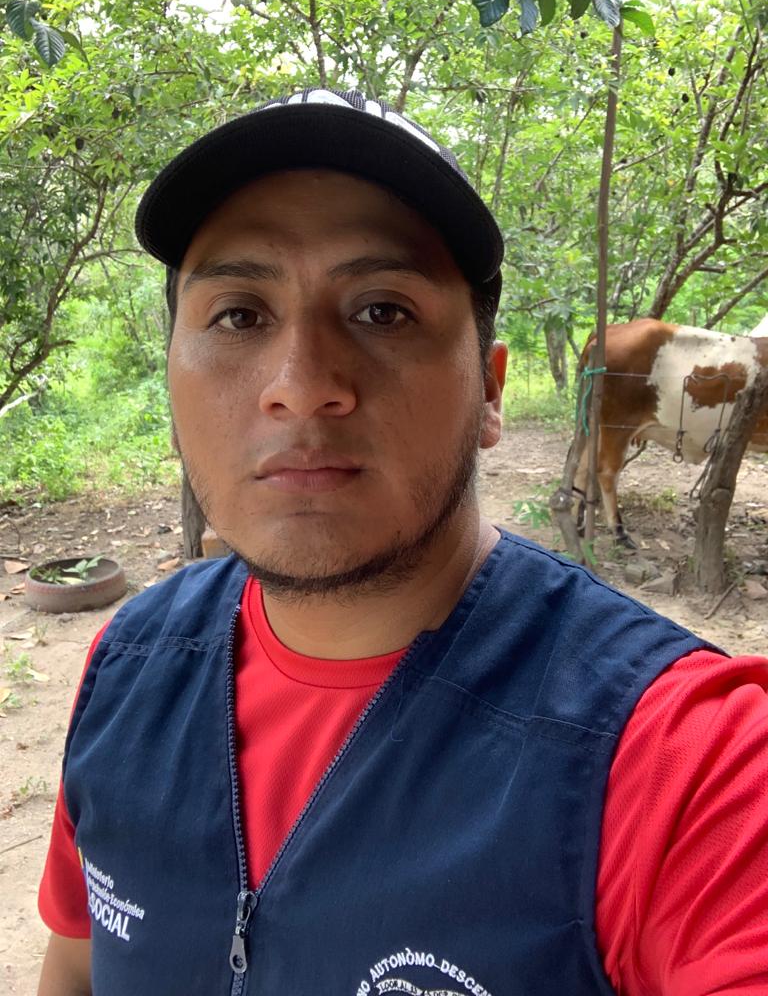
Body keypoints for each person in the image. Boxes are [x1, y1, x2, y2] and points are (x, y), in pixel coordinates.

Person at [37, 88, 768, 996]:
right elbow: (74, 968)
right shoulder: (126, 668)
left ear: (490, 392)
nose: (302, 385)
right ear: (171, 378)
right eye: (238, 315)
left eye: (383, 310)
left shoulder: (688, 766)